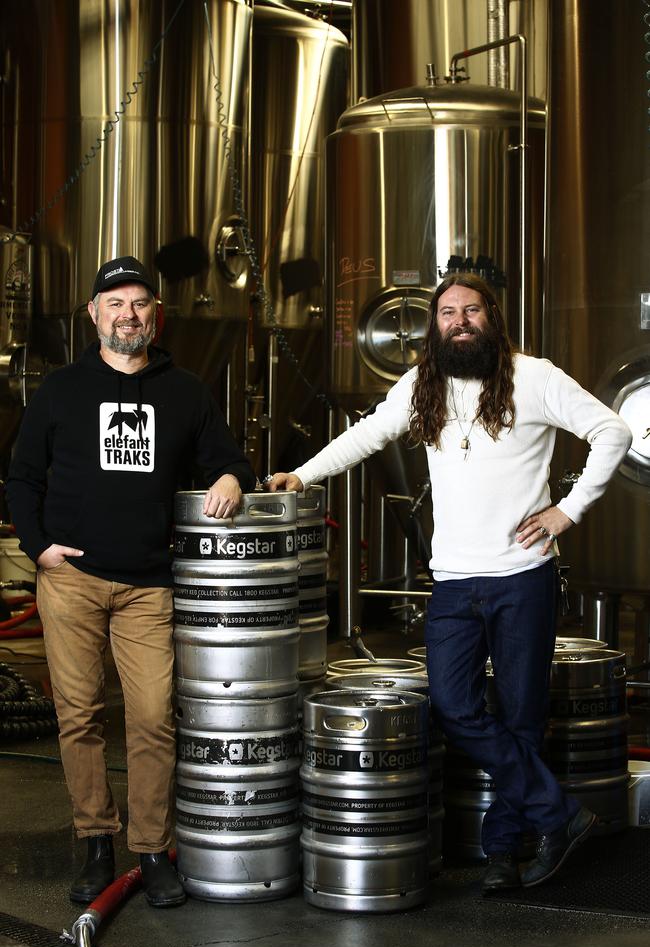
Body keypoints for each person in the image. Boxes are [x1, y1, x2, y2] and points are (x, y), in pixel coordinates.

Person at [268, 272, 632, 893]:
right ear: (434, 327)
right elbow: (367, 434)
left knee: (521, 717)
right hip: (456, 583)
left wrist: (566, 512)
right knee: (456, 708)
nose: (459, 321)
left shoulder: (534, 377)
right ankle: (559, 815)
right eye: (446, 314)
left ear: (492, 316)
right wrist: (302, 476)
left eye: (471, 310)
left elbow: (614, 431)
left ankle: (501, 855)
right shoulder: (421, 385)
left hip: (523, 577)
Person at [6, 255, 256, 908]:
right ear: (93, 314)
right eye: (115, 303)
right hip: (73, 581)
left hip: (149, 586)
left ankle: (150, 849)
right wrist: (40, 550)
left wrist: (231, 476)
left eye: (140, 302)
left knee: (151, 718)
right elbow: (21, 476)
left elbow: (227, 457)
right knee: (80, 716)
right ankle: (95, 842)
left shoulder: (185, 391)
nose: (128, 314)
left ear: (156, 315)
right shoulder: (61, 390)